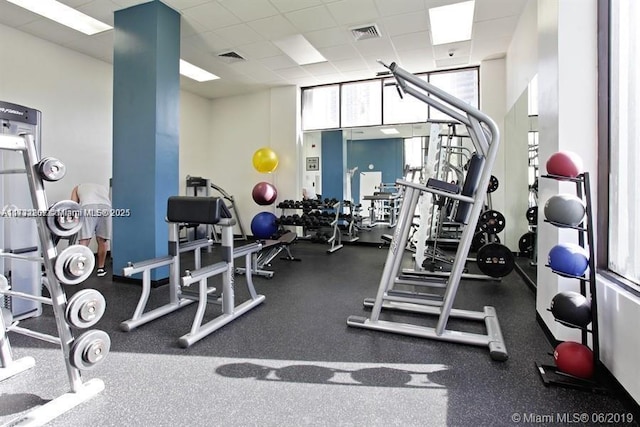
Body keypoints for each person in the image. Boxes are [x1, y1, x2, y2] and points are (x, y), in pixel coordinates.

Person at [71, 183, 111, 277]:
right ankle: (101, 268)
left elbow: (73, 205)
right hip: (106, 207)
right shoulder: (103, 187)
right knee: (103, 239)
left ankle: (80, 268)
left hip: (88, 207)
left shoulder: (77, 187)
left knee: (84, 240)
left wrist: (74, 220)